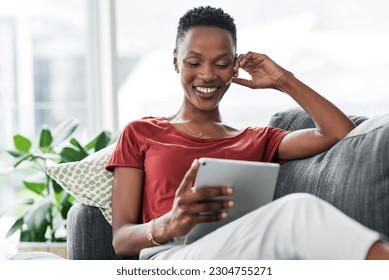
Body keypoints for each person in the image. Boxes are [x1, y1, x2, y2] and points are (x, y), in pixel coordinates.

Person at [106, 6, 389, 260]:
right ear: (176, 61)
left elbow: (342, 135)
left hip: (244, 251)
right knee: (296, 212)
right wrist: (170, 222)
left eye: (221, 63)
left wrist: (282, 79)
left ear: (234, 67)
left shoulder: (256, 139)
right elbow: (121, 240)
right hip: (168, 257)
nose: (207, 75)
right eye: (194, 62)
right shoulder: (141, 132)